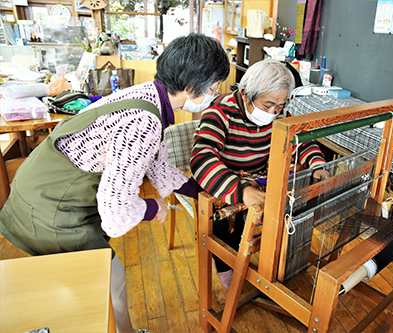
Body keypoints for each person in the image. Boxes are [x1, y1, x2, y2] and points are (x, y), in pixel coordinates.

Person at [0, 33, 229, 333]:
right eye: (213, 88)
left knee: (103, 278)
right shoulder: (144, 121)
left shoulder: (149, 96)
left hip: (40, 188)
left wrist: (204, 193)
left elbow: (158, 165)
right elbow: (115, 211)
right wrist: (152, 207)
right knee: (109, 276)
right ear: (189, 87)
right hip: (49, 209)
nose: (215, 94)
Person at [190, 59, 328, 289]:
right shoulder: (219, 112)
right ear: (245, 94)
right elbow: (202, 157)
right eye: (267, 105)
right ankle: (226, 264)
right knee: (225, 222)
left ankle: (276, 259)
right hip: (224, 178)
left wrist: (318, 164)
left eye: (279, 106)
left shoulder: (279, 115)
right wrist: (241, 190)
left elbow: (301, 139)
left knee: (286, 205)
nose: (273, 112)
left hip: (258, 176)